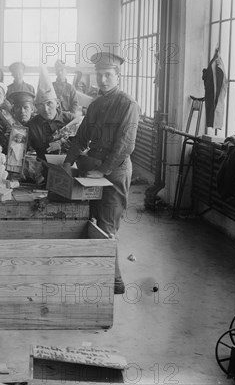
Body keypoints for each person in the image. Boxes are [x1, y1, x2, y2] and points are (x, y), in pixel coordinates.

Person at [62, 52, 140, 295]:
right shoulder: (95, 105)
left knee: (107, 226)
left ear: (118, 76)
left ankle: (115, 280)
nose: (103, 80)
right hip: (94, 169)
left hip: (114, 172)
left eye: (108, 75)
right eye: (100, 75)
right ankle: (92, 272)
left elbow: (126, 144)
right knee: (88, 220)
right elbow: (82, 136)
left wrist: (102, 171)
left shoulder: (128, 104)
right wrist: (67, 162)